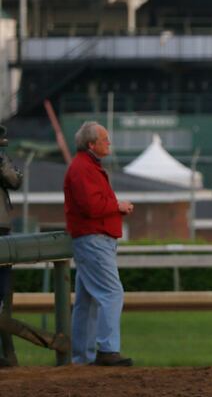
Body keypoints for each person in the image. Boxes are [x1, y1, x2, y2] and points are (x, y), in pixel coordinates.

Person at [63, 121, 134, 366]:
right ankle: (107, 350)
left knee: (87, 300)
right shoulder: (83, 168)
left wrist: (115, 209)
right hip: (93, 240)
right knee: (112, 293)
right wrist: (117, 206)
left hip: (90, 239)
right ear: (91, 144)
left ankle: (82, 357)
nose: (109, 143)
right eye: (105, 139)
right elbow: (91, 206)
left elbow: (93, 204)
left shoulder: (86, 166)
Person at [0, 125, 24, 366]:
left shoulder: (2, 158)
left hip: (2, 229)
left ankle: (6, 353)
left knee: (3, 292)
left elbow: (16, 180)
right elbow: (14, 179)